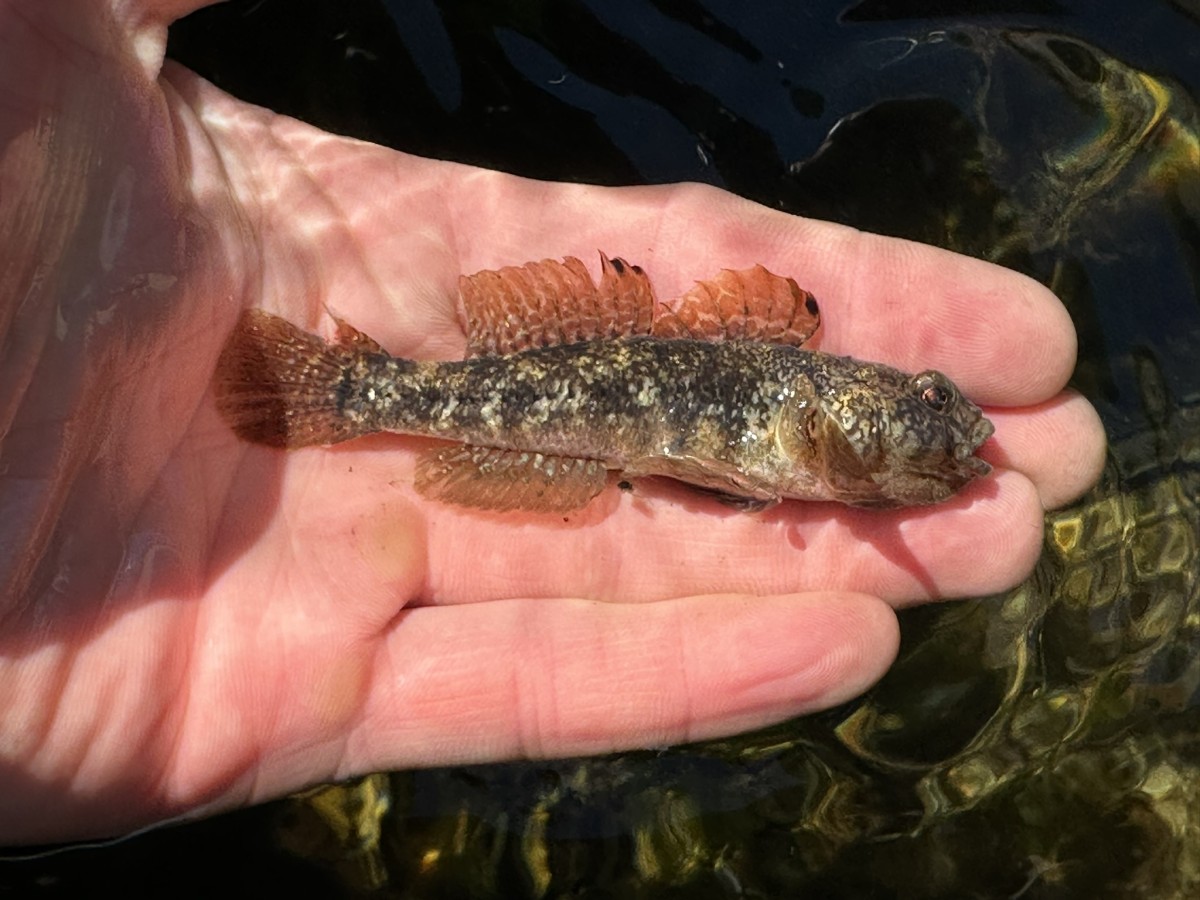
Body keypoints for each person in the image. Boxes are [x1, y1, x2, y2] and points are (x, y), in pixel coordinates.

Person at [0, 0, 1105, 845]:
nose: (933, 438)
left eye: (923, 425)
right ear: (843, 424)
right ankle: (347, 396)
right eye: (916, 415)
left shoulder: (820, 422)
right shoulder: (809, 421)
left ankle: (356, 399)